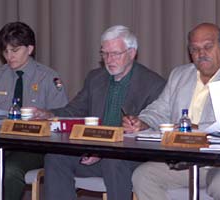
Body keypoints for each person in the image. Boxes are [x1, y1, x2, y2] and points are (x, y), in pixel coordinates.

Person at [30, 25, 166, 200]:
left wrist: (103, 151)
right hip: (94, 151)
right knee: (55, 157)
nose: (109, 60)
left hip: (130, 158)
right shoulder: (95, 78)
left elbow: (153, 131)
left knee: (113, 161)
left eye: (115, 54)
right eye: (104, 53)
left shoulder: (152, 84)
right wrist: (48, 114)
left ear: (132, 53)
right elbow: (74, 110)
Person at [123, 23, 220, 200]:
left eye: (208, 47)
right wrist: (142, 122)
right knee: (143, 176)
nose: (201, 54)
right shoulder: (179, 75)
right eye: (195, 49)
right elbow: (159, 110)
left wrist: (199, 129)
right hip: (184, 159)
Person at [0, 21, 68, 200]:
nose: (9, 56)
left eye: (14, 50)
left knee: (10, 171)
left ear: (30, 49)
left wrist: (47, 116)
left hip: (33, 148)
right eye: (5, 51)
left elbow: (63, 117)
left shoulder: (49, 78)